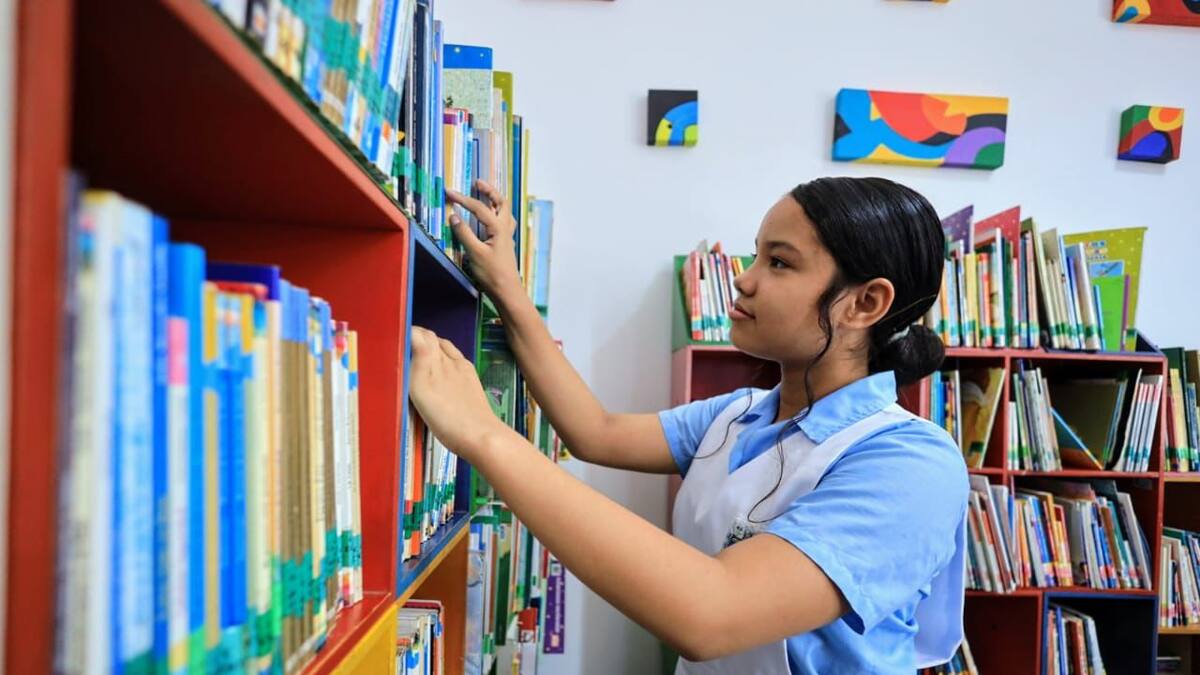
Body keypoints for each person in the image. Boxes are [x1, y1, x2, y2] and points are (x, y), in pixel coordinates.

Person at [410, 176, 969, 674]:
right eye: (755, 256)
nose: (744, 280)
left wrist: (484, 434)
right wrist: (506, 287)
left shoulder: (911, 464)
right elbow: (594, 431)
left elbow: (713, 614)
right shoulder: (737, 415)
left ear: (865, 303)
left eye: (779, 263)